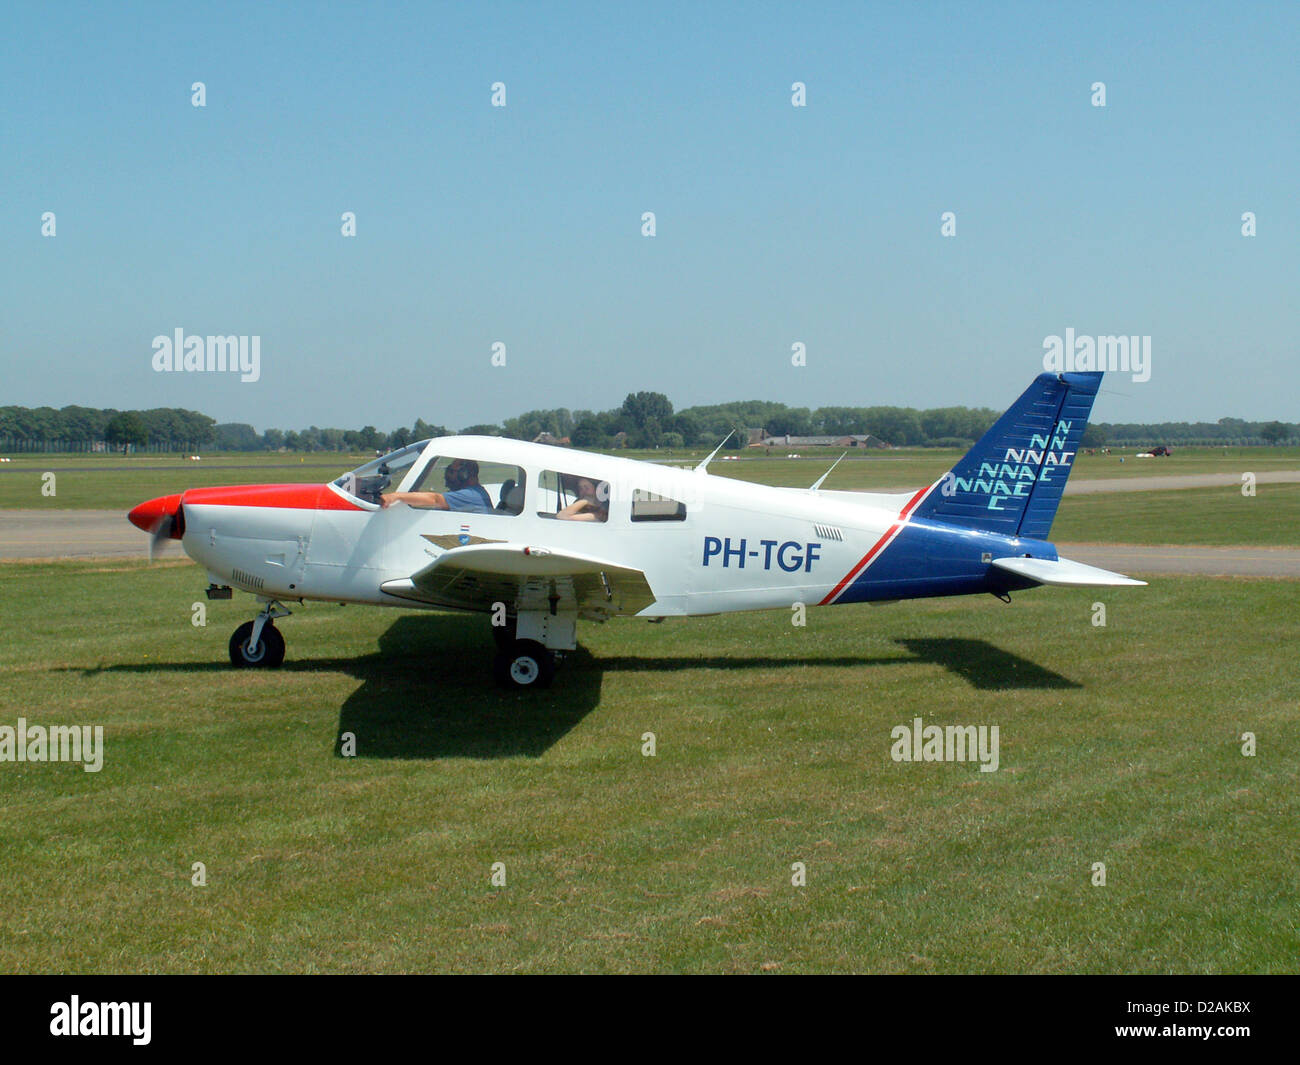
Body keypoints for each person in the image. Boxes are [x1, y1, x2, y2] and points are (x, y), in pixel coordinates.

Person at [381, 458, 493, 513]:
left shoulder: (471, 495)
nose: (447, 475)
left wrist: (396, 496)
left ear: (465, 475)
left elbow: (435, 499)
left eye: (452, 472)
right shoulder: (474, 492)